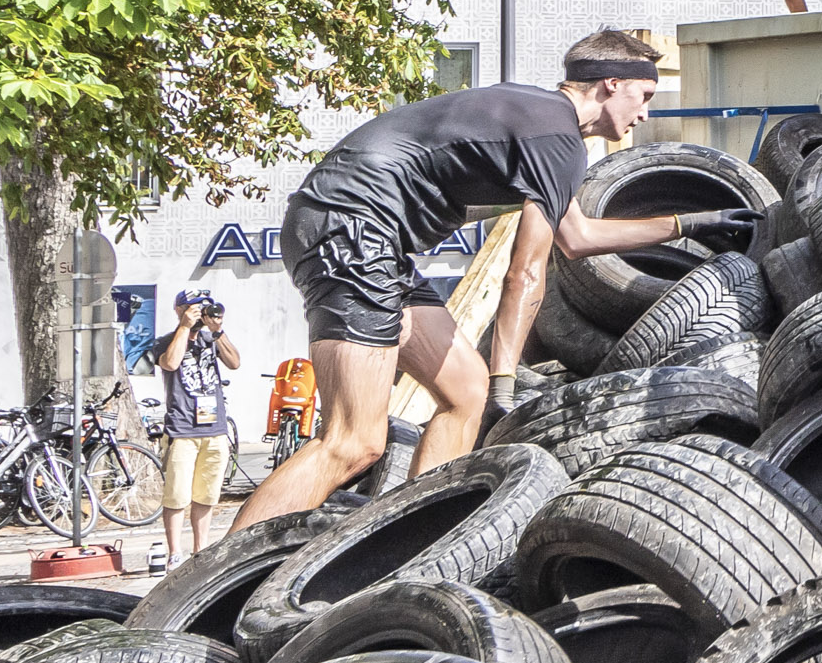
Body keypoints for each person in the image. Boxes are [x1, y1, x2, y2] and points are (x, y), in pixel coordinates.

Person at [234, 30, 746, 528]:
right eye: (645, 96)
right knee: (353, 441)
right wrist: (508, 379)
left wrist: (689, 223)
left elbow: (578, 236)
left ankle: (417, 543)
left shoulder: (542, 122)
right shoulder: (556, 137)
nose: (646, 113)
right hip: (349, 229)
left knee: (464, 392)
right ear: (612, 83)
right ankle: (201, 595)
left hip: (365, 238)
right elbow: (525, 271)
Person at [155, 291, 241, 567]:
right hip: (182, 429)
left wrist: (217, 331)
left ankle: (200, 550)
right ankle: (174, 553)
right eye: (193, 308)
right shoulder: (166, 341)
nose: (199, 312)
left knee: (207, 493)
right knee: (177, 494)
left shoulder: (210, 340)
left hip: (214, 429)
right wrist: (184, 327)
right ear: (178, 309)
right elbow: (170, 363)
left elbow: (235, 363)